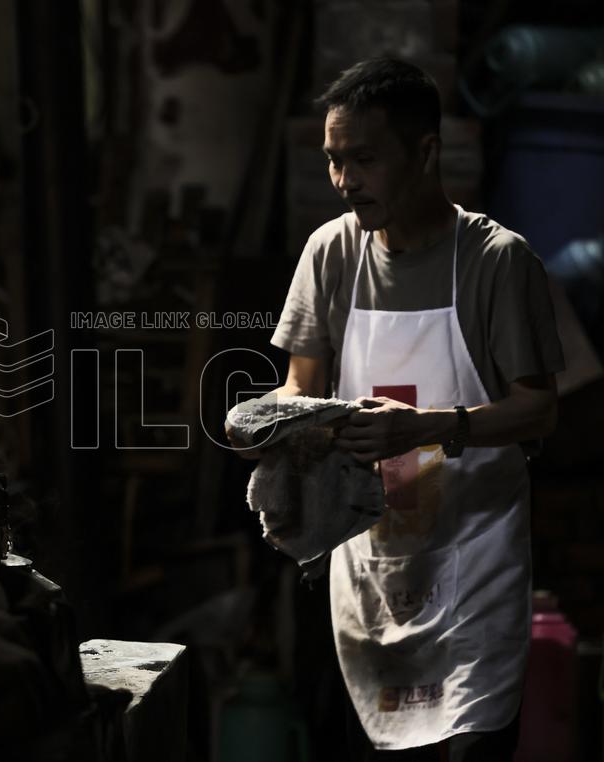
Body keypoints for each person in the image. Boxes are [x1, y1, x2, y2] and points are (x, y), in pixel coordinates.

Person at [232, 58, 565, 760]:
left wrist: (430, 430)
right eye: (333, 160)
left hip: (474, 566)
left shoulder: (496, 261)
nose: (345, 180)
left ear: (425, 153)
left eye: (364, 159)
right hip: (370, 568)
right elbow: (302, 388)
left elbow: (538, 411)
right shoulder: (330, 255)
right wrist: (270, 425)